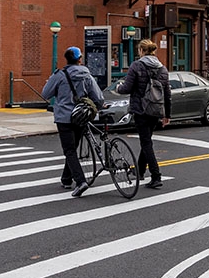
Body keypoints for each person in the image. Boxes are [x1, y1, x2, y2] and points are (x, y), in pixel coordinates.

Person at [42, 46, 104, 197]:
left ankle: (81, 181)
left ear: (67, 59)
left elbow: (45, 94)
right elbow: (98, 97)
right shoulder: (86, 75)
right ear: (80, 59)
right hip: (81, 116)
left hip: (64, 117)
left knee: (69, 150)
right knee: (73, 149)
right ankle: (66, 179)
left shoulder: (59, 75)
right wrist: (99, 106)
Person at [116, 39, 171, 189]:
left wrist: (119, 88)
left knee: (146, 142)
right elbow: (167, 93)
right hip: (156, 110)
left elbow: (127, 88)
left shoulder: (136, 66)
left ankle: (156, 176)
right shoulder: (163, 69)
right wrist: (167, 115)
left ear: (141, 51)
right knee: (146, 140)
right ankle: (139, 171)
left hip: (141, 109)